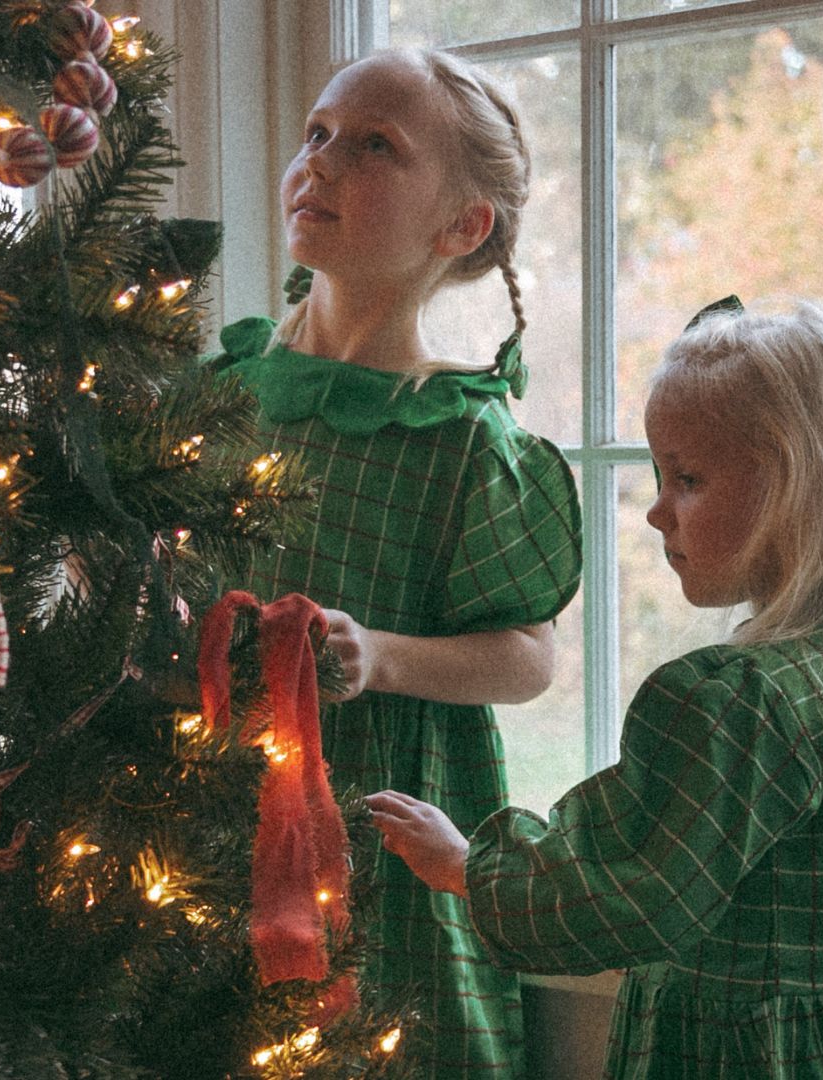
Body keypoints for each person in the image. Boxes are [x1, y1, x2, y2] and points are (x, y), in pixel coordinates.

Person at [368, 299, 823, 1078]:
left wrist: (467, 868)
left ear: (799, 491)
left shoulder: (734, 698)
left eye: (689, 479)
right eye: (658, 475)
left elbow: (630, 888)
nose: (655, 511)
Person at [206, 47, 582, 1078]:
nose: (320, 162)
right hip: (191, 816)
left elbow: (530, 659)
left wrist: (380, 655)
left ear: (463, 226)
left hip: (379, 839)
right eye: (317, 133)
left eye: (374, 146)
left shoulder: (464, 439)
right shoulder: (218, 395)